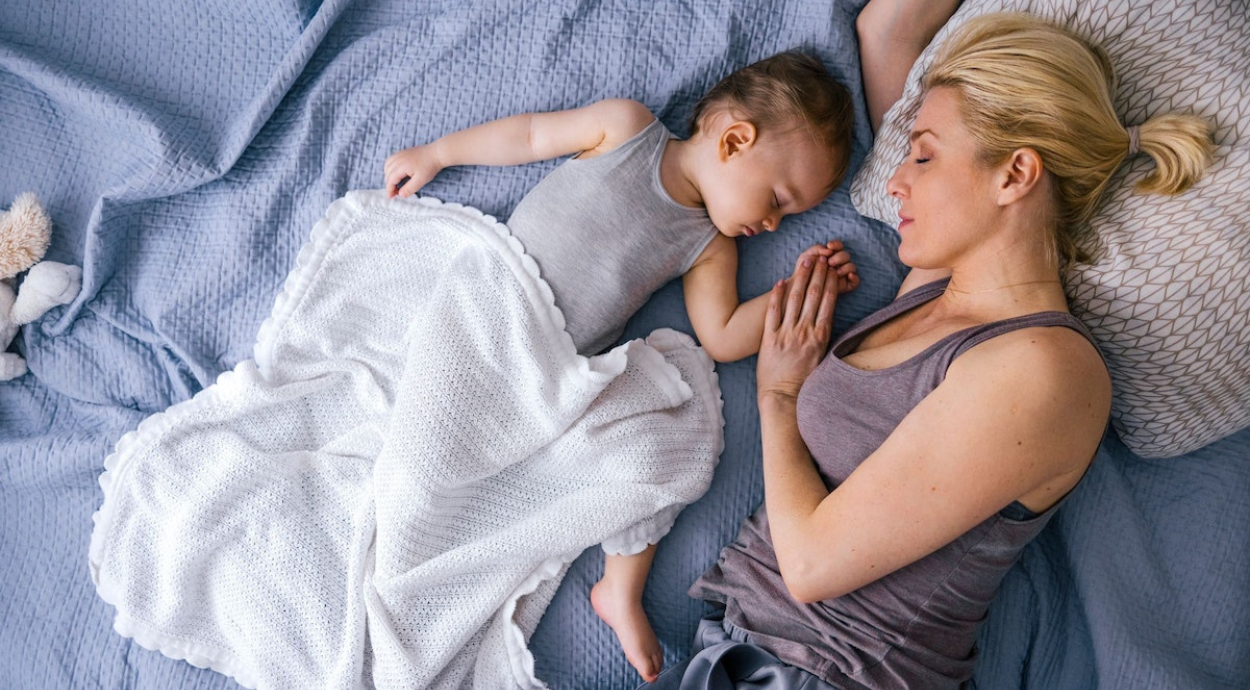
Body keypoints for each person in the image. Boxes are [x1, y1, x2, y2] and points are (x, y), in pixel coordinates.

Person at [641, 3, 1216, 689]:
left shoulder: (1043, 371)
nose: (895, 178)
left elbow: (813, 566)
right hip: (744, 647)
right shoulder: (936, 287)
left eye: (923, 154)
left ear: (1014, 175)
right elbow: (886, 31)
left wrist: (781, 391)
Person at [382, 51, 860, 682]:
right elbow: (529, 135)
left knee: (664, 433)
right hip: (492, 306)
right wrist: (439, 153)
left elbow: (719, 336)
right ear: (736, 140)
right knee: (423, 469)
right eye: (776, 199)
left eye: (787, 218)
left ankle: (620, 587)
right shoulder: (626, 128)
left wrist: (797, 294)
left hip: (554, 370)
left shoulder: (707, 242)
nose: (772, 223)